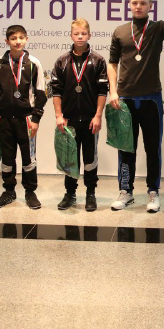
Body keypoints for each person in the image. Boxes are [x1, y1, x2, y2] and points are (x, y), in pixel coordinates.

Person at [108, 0, 164, 212]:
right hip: (125, 98)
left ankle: (153, 192)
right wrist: (113, 91)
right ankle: (126, 191)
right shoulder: (120, 31)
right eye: (135, 2)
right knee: (126, 148)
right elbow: (112, 64)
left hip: (151, 98)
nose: (138, 6)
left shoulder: (157, 28)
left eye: (143, 3)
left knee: (153, 148)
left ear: (150, 6)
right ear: (129, 5)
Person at [50, 19, 108, 212]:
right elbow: (56, 91)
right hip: (69, 120)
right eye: (76, 34)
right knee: (70, 159)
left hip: (91, 120)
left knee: (90, 159)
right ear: (71, 35)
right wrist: (59, 115)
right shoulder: (62, 61)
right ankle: (70, 194)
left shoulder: (98, 61)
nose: (80, 37)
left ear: (89, 35)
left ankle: (91, 193)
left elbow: (102, 91)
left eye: (83, 33)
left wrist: (98, 115)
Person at [0, 25, 47, 209]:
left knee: (29, 158)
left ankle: (30, 192)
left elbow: (41, 93)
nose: (17, 41)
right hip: (4, 119)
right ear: (6, 41)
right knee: (7, 158)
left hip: (26, 119)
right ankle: (9, 191)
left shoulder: (33, 63)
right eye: (13, 38)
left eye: (21, 38)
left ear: (27, 39)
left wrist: (36, 119)